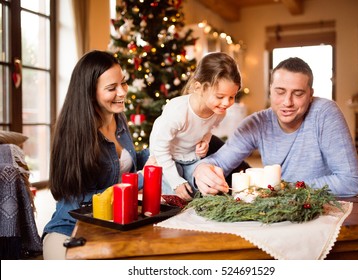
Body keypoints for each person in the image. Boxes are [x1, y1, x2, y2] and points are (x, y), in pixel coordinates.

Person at [193, 57, 358, 198]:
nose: (287, 102)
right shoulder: (257, 123)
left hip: (319, 208)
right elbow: (218, 162)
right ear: (270, 90)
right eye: (280, 92)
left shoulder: (325, 113)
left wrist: (282, 188)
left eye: (298, 94)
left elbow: (351, 182)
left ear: (311, 95)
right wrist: (201, 170)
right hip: (278, 209)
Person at [42, 50, 152, 259]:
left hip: (113, 225)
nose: (122, 92)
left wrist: (161, 149)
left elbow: (127, 162)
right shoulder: (75, 131)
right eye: (112, 88)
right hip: (70, 229)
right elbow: (79, 200)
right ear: (90, 92)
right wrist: (138, 181)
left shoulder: (118, 119)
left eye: (123, 83)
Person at [149, 52, 242, 201]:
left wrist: (205, 141)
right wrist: (175, 182)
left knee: (205, 189)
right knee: (176, 198)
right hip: (164, 158)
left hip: (190, 158)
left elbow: (208, 129)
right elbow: (160, 147)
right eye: (220, 96)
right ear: (199, 88)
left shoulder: (219, 112)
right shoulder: (178, 111)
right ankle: (143, 176)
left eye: (232, 96)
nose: (226, 103)